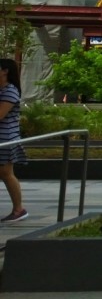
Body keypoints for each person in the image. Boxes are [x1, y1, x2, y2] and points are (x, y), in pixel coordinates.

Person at [0, 58, 28, 223]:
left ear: (5, 71)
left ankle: (19, 209)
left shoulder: (10, 91)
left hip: (6, 138)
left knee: (6, 173)